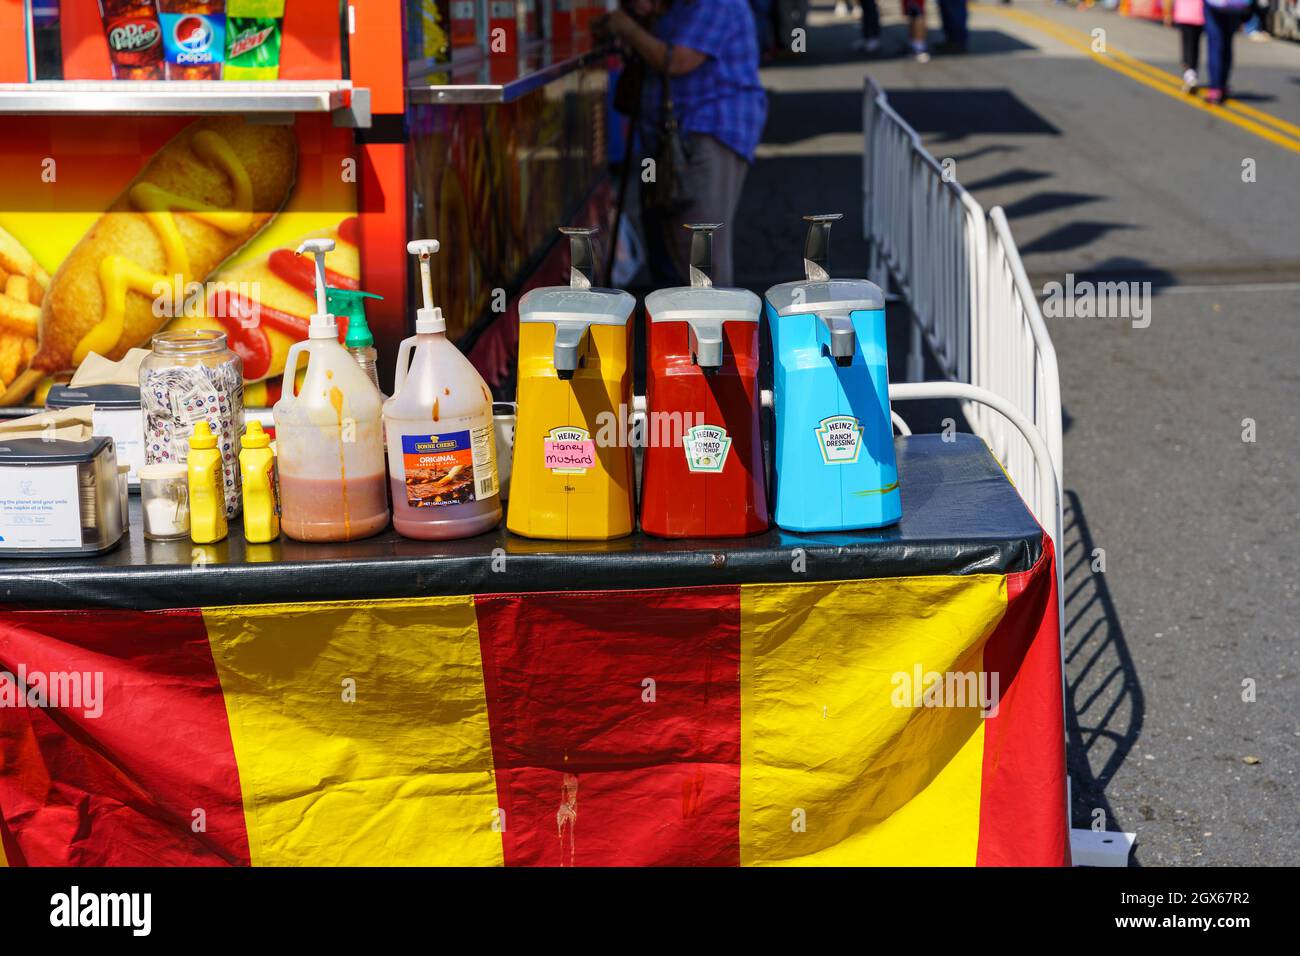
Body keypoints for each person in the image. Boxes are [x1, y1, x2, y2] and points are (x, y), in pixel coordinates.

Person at [598, 0, 767, 289]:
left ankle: (712, 329)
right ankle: (677, 327)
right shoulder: (678, 6)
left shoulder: (716, 5)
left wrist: (627, 27)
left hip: (704, 132)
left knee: (698, 253)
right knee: (669, 246)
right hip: (670, 139)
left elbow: (677, 60)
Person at [1202, 0, 1252, 104]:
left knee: (1215, 45)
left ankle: (1215, 88)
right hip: (1234, 5)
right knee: (1227, 43)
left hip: (1215, 5)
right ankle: (1222, 86)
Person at [1165, 0, 1205, 92]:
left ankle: (1190, 74)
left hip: (1189, 14)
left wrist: (1167, 13)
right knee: (1193, 45)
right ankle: (1191, 73)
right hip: (1195, 14)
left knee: (1189, 45)